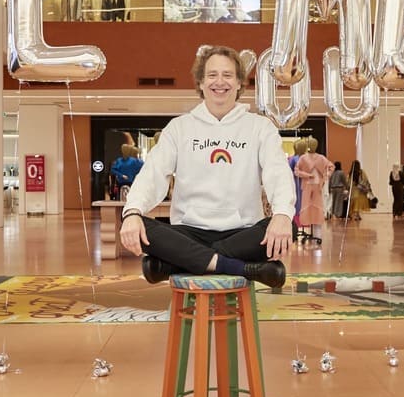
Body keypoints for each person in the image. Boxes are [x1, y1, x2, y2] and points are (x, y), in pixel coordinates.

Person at [119, 45, 295, 288]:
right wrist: (132, 212)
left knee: (289, 223)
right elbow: (153, 174)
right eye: (212, 75)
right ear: (201, 82)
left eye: (227, 75)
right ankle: (237, 266)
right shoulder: (179, 128)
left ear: (239, 83)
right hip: (188, 230)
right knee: (139, 225)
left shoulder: (260, 127)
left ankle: (174, 263)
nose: (219, 82)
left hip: (242, 231)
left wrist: (282, 215)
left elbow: (278, 173)